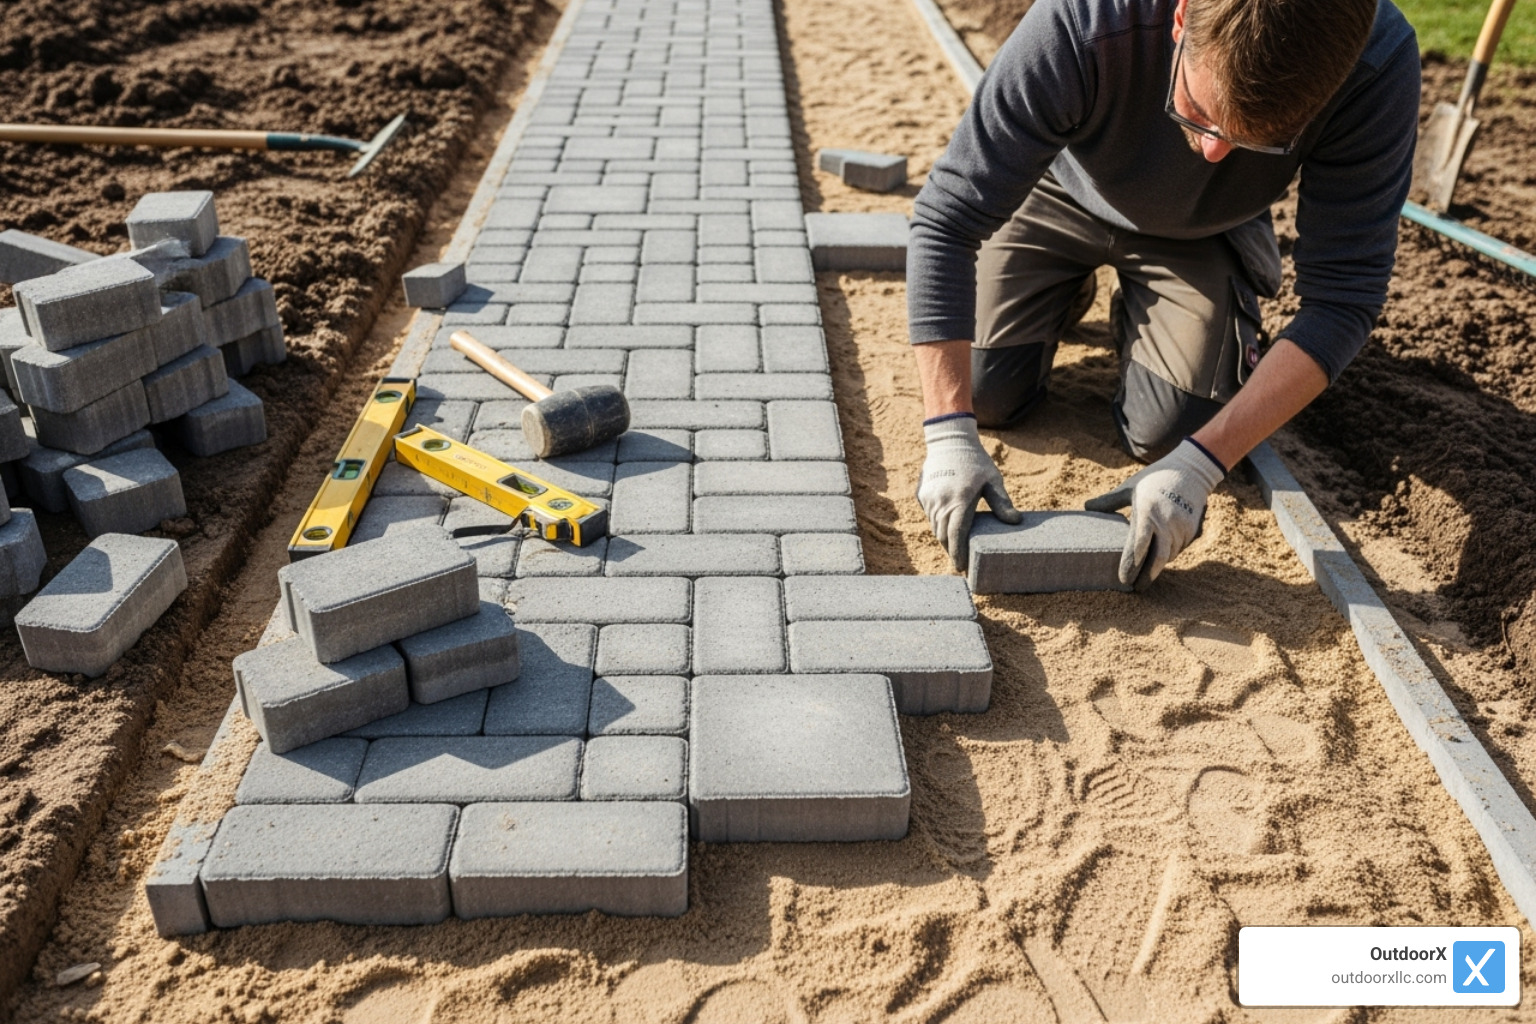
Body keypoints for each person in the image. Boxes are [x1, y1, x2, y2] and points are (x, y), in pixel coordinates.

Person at [910, 0, 1419, 584]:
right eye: (1200, 113)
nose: (1212, 153)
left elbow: (1343, 298)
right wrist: (948, 433)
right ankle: (1060, 289)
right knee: (983, 391)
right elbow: (946, 221)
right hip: (1056, 192)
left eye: (1260, 139)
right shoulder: (1088, 19)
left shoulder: (1377, 60)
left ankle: (1147, 309)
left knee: (1172, 430)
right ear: (1180, 23)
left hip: (1207, 228)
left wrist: (1203, 464)